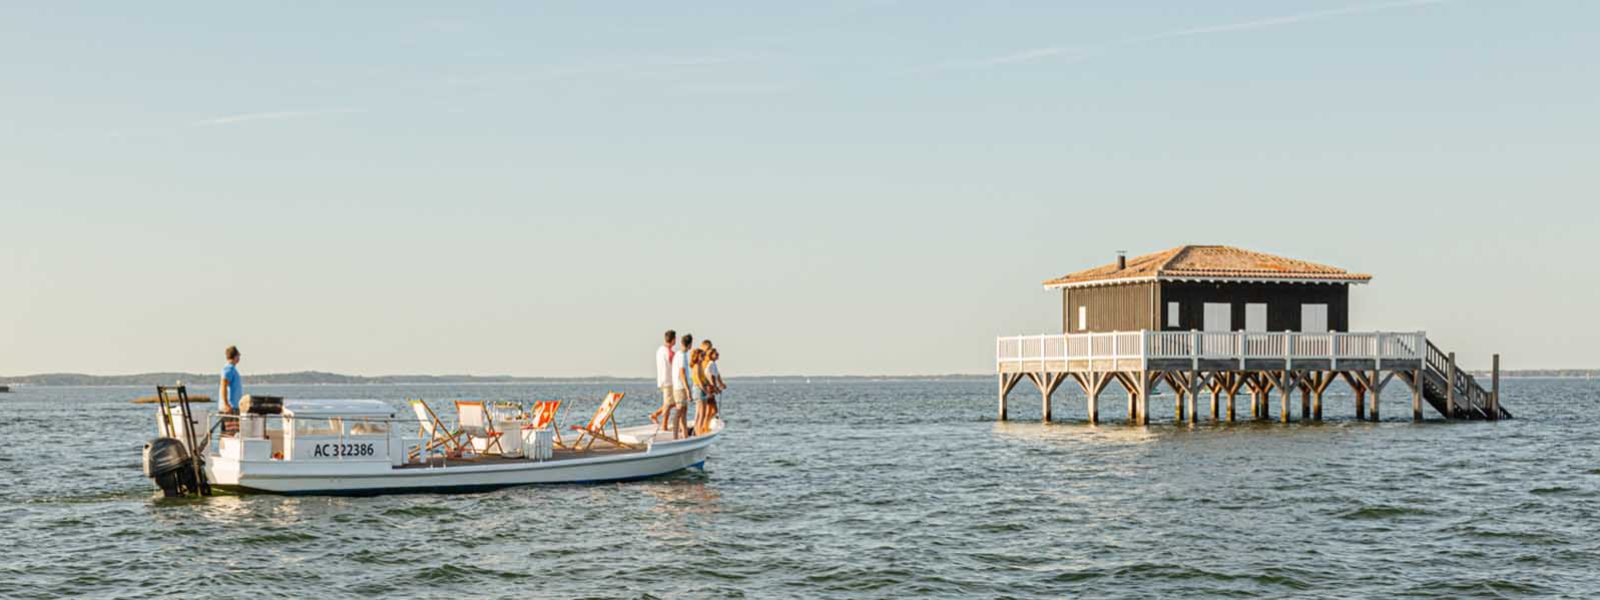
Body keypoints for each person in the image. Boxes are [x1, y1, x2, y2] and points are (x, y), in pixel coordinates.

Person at [668, 334, 693, 439]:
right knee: (679, 412)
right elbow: (682, 373)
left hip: (679, 387)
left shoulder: (678, 354)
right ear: (690, 344)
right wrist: (687, 390)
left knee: (684, 412)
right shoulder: (682, 355)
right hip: (680, 388)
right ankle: (675, 437)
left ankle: (685, 435)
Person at [650, 330, 677, 428]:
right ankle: (664, 425)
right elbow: (675, 366)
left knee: (673, 403)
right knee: (668, 405)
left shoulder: (660, 350)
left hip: (662, 380)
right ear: (673, 340)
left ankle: (655, 415)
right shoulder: (669, 352)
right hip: (668, 381)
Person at [697, 347, 724, 435]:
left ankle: (705, 426)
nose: (718, 355)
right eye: (716, 354)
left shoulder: (713, 364)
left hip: (710, 388)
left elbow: (715, 376)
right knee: (713, 410)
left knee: (711, 410)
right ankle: (705, 426)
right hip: (710, 389)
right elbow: (710, 376)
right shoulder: (711, 364)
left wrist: (719, 385)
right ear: (711, 355)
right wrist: (715, 388)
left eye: (718, 354)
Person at [219, 346, 244, 434]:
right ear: (235, 356)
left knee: (233, 434)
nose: (239, 358)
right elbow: (224, 386)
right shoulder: (229, 369)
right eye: (238, 356)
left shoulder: (232, 369)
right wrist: (226, 404)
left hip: (233, 407)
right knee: (230, 434)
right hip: (230, 408)